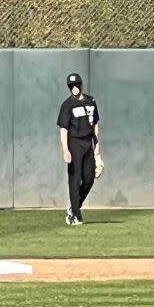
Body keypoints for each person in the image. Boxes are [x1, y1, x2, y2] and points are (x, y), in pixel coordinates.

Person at [57, 73, 101, 226]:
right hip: (74, 143)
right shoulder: (67, 105)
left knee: (89, 179)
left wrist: (97, 147)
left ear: (81, 85)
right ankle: (75, 215)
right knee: (75, 180)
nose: (74, 88)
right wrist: (65, 149)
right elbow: (63, 129)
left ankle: (74, 207)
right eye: (71, 86)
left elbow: (95, 124)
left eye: (76, 85)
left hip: (88, 143)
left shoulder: (91, 101)